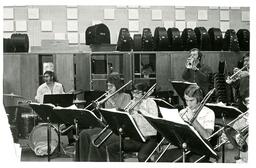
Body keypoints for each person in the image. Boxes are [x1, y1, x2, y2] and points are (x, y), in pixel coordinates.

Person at [76, 73, 131, 161]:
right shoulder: (107, 98)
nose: (108, 88)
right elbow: (106, 119)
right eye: (108, 86)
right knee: (83, 134)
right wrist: (100, 110)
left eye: (111, 86)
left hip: (118, 131)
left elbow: (122, 115)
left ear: (117, 85)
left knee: (96, 140)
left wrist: (111, 101)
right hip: (107, 128)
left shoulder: (126, 97)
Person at [159, 84, 215, 162]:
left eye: (191, 100)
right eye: (186, 100)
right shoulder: (183, 112)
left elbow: (207, 136)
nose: (188, 104)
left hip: (200, 150)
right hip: (184, 146)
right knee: (160, 159)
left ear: (199, 99)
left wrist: (194, 120)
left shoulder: (208, 112)